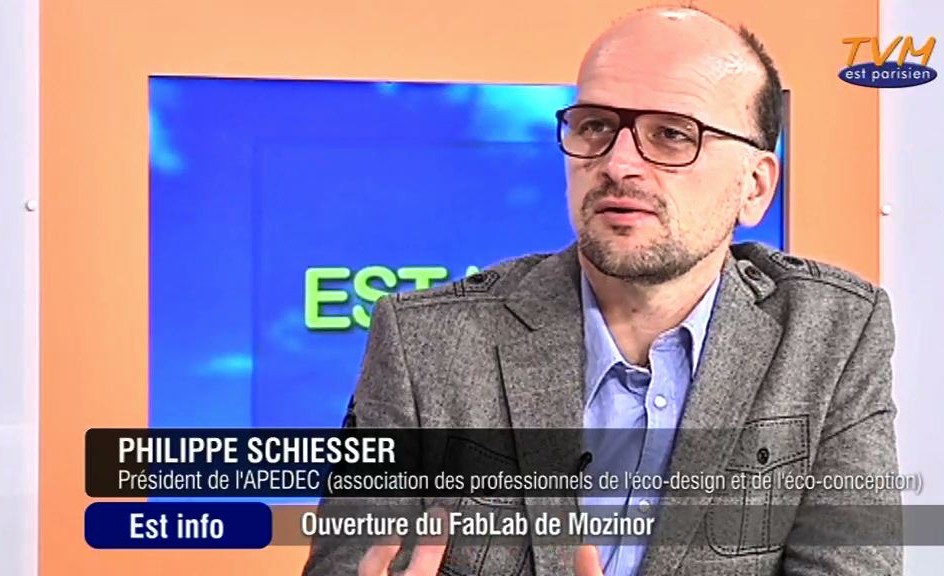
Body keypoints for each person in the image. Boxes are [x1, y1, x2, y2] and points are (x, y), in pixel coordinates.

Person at [304, 5, 902, 575]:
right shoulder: (425, 343)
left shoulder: (831, 336)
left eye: (672, 135)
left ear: (755, 187)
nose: (618, 163)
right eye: (595, 127)